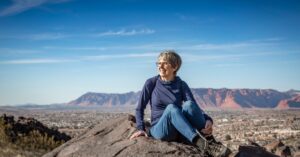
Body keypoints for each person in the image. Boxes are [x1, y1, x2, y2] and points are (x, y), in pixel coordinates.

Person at [130, 50, 231, 157]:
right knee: (172, 108)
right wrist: (141, 128)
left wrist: (208, 119)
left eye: (165, 63)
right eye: (158, 63)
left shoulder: (181, 84)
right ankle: (203, 144)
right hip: (160, 130)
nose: (160, 66)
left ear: (175, 67)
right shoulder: (151, 83)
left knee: (189, 105)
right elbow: (139, 108)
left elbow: (194, 107)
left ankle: (211, 141)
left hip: (179, 129)